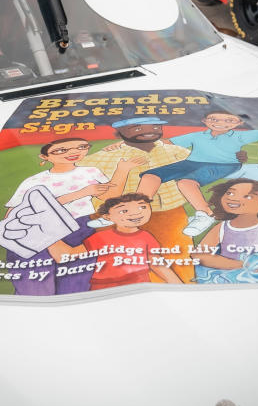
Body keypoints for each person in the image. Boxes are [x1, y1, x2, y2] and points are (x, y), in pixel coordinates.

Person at [0, 138, 145, 295]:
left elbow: (110, 196)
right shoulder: (34, 181)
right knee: (35, 285)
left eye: (81, 147)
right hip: (39, 231)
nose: (74, 152)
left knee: (77, 282)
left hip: (82, 227)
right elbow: (15, 214)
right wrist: (82, 193)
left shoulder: (90, 171)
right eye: (62, 150)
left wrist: (122, 170)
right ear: (44, 157)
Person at [134, 108, 258, 237]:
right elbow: (166, 143)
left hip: (225, 164)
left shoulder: (240, 136)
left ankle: (206, 214)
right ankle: (135, 206)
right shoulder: (198, 136)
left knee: (186, 182)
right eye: (214, 119)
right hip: (191, 162)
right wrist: (127, 144)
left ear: (238, 123)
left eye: (229, 120)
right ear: (205, 121)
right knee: (150, 176)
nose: (220, 123)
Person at [79, 117, 196, 283]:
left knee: (177, 253)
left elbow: (205, 161)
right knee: (122, 261)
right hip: (116, 217)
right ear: (120, 132)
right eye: (137, 127)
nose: (148, 131)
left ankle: (183, 289)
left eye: (155, 126)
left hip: (169, 212)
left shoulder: (176, 151)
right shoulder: (102, 157)